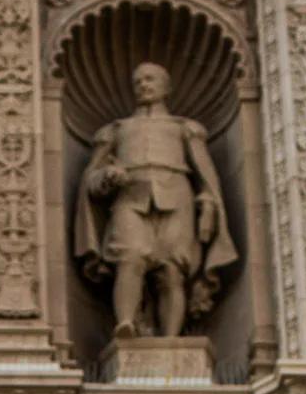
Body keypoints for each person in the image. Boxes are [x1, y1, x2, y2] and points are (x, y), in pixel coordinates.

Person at [73, 61, 235, 340]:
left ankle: (171, 339)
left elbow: (206, 174)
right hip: (130, 197)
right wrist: (107, 176)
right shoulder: (116, 130)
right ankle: (125, 323)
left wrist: (209, 203)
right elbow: (91, 181)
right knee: (130, 257)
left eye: (151, 80)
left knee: (172, 270)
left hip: (177, 196)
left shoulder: (184, 128)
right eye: (138, 82)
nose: (144, 86)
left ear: (167, 87)